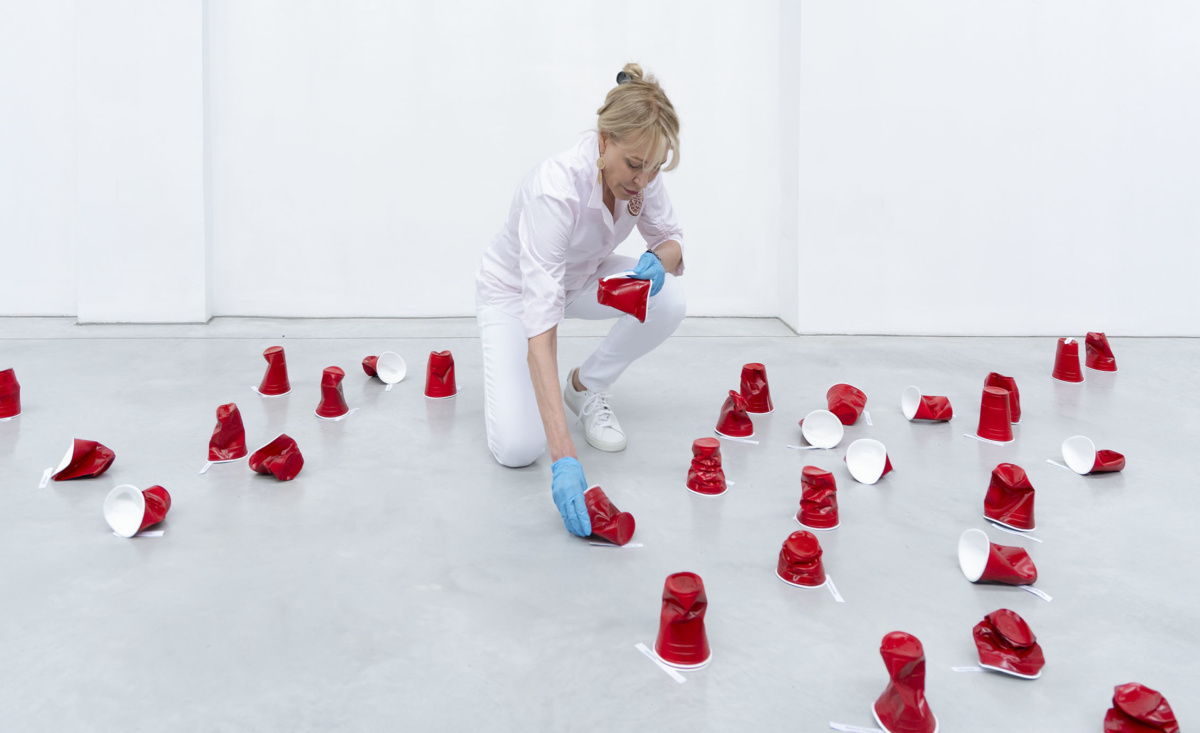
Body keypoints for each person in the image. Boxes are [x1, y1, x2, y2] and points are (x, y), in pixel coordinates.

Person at [475, 63, 686, 537]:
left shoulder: (641, 170)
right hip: (514, 294)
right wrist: (565, 457)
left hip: (583, 277)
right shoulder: (555, 190)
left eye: (655, 168)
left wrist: (660, 260)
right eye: (635, 166)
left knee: (669, 299)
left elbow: (672, 240)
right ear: (604, 140)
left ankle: (586, 385)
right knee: (518, 449)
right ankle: (513, 384)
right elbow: (541, 331)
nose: (644, 181)